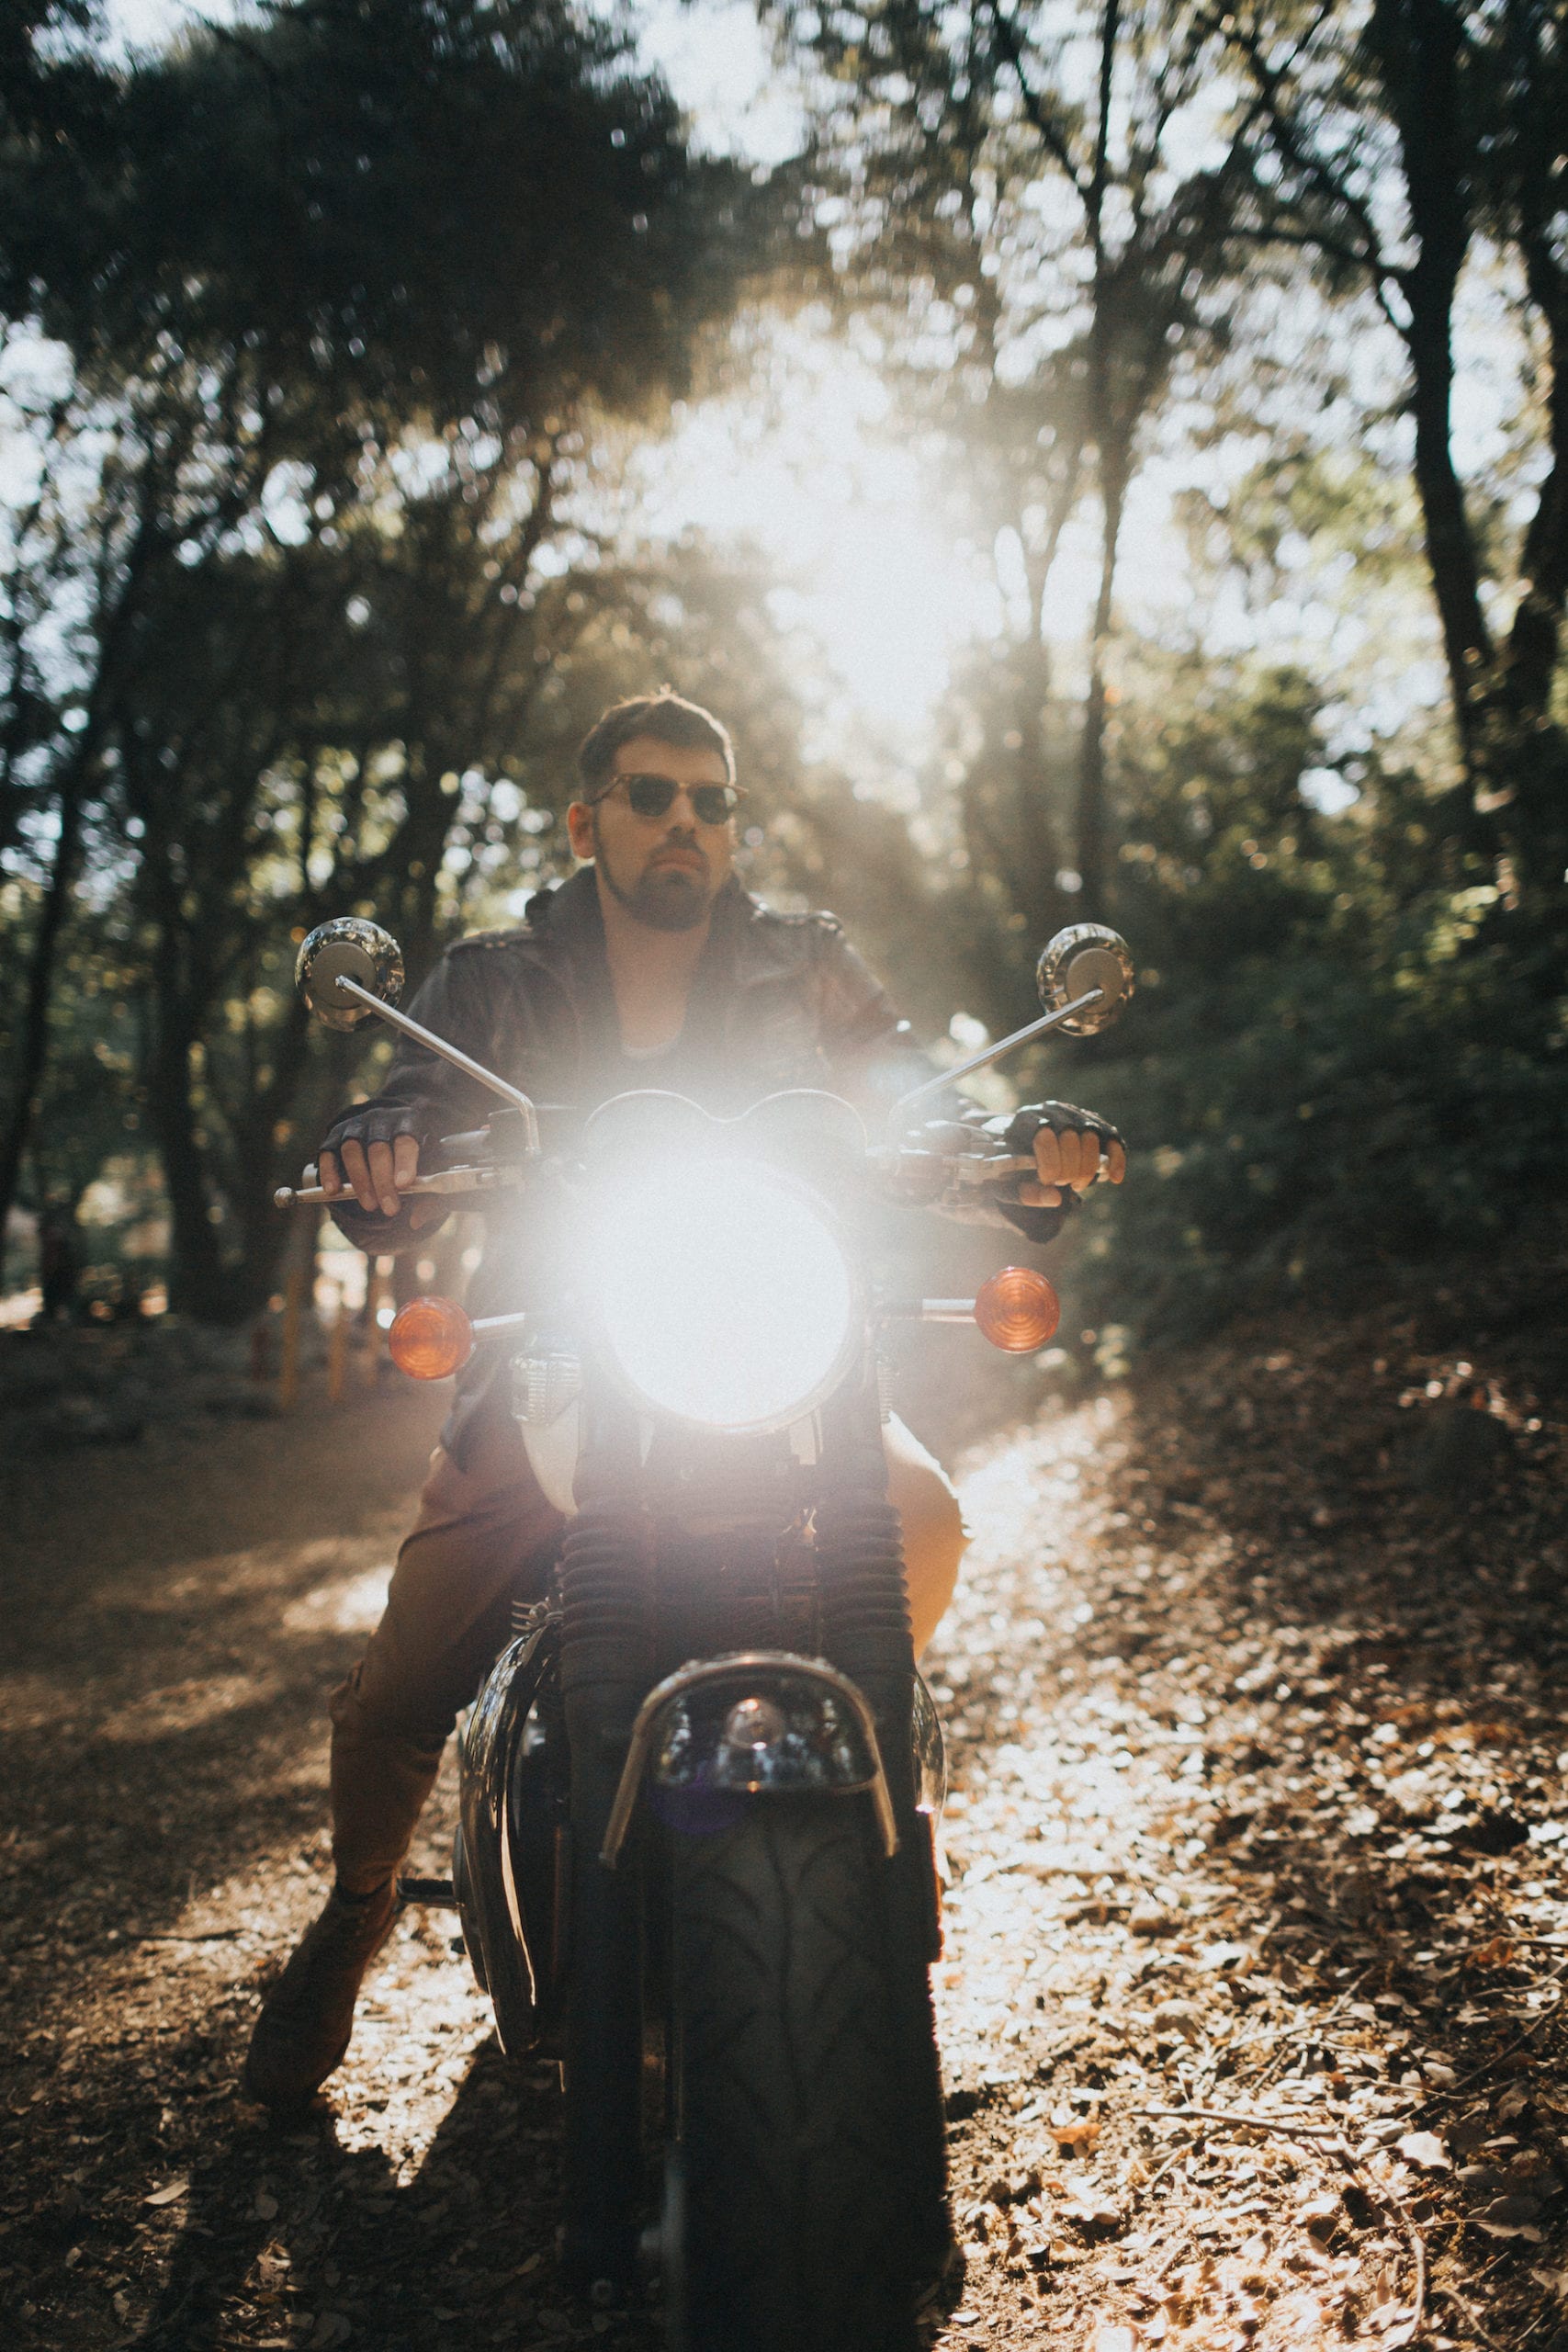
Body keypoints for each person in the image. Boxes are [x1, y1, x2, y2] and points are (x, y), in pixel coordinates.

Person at [243, 689, 1125, 2114]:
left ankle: (884, 1806)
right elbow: (416, 1096)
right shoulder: (495, 978)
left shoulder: (805, 962)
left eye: (712, 802)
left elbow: (910, 1094)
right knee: (404, 1681)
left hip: (783, 1346)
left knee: (928, 1525)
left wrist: (1015, 1149)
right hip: (564, 1360)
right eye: (653, 797)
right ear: (588, 824)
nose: (686, 826)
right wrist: (377, 1139)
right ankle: (350, 1914)